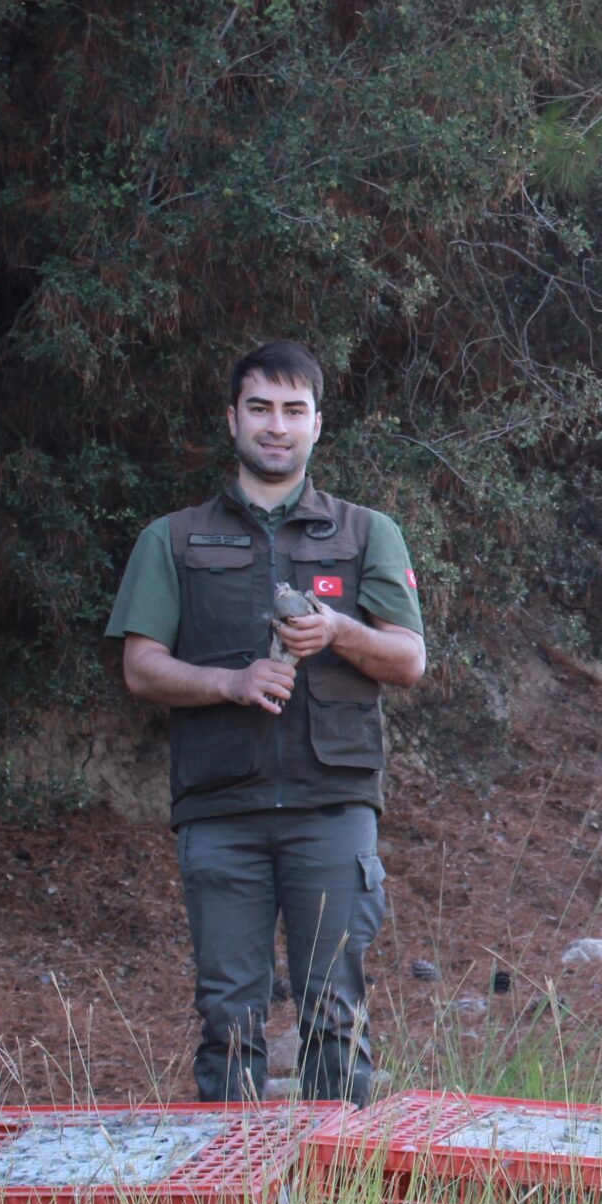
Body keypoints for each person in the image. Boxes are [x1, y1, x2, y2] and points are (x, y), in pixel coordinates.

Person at [106, 340, 427, 1104]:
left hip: (332, 810)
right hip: (221, 813)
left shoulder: (365, 532)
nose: (275, 426)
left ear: (318, 424)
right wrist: (230, 680)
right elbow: (140, 665)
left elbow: (409, 659)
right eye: (260, 409)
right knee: (230, 1019)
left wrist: (339, 631)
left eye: (293, 410)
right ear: (232, 420)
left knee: (334, 1017)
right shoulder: (173, 539)